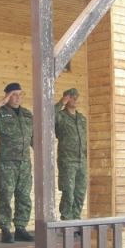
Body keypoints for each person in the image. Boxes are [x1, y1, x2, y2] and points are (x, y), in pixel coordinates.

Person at [0, 83, 34, 243]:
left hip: (25, 162)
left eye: (20, 94)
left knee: (24, 196)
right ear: (7, 96)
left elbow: (33, 137)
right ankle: (5, 229)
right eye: (13, 94)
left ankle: (20, 228)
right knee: (5, 195)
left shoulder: (27, 114)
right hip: (7, 162)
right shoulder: (1, 112)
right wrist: (2, 102)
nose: (17, 97)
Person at [55, 88, 87, 221]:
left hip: (81, 161)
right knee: (68, 191)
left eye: (76, 97)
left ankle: (76, 219)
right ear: (66, 99)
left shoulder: (81, 119)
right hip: (67, 161)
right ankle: (67, 220)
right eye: (72, 97)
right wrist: (61, 103)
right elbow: (48, 117)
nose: (75, 99)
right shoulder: (60, 116)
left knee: (80, 192)